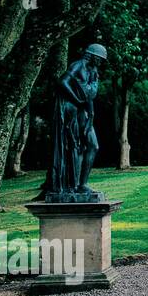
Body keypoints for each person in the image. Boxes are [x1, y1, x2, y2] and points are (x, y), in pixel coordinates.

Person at [42, 44, 107, 202]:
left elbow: (89, 95)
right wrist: (76, 100)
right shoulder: (78, 65)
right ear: (92, 56)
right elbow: (62, 82)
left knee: (93, 145)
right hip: (72, 111)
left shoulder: (93, 72)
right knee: (75, 147)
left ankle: (81, 184)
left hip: (83, 112)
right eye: (99, 59)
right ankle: (75, 184)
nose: (101, 62)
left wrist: (90, 113)